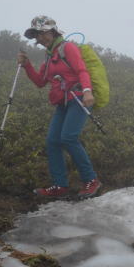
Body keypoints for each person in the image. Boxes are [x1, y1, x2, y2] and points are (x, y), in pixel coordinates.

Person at [18, 16, 102, 199]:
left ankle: (91, 181)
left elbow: (82, 70)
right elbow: (40, 82)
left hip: (77, 99)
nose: (39, 39)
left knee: (68, 138)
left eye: (41, 34)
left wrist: (87, 91)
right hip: (62, 103)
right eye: (36, 36)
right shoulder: (48, 57)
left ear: (52, 31)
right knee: (52, 141)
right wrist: (27, 65)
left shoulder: (68, 48)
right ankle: (60, 185)